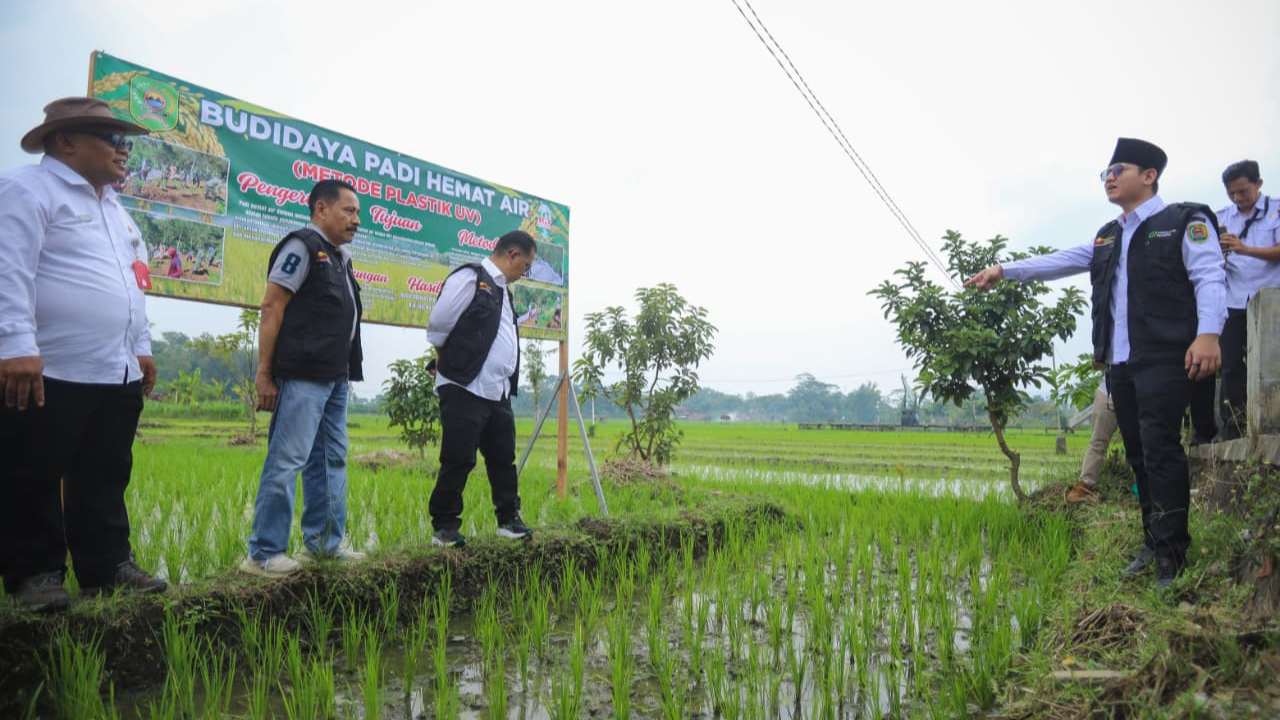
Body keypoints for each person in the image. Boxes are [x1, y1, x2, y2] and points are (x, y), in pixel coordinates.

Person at [967, 138, 1226, 589]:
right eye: (1105, 172)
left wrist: (1208, 334)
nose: (1109, 177)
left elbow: (1209, 276)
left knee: (1162, 449)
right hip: (1121, 363)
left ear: (1148, 176)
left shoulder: (1183, 221)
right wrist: (1004, 270)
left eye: (1118, 169)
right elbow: (1061, 261)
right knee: (1140, 454)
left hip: (1166, 356)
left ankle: (1172, 554)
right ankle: (1151, 541)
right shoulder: (1109, 235)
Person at [0, 97, 167, 611]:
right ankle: (37, 575)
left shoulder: (116, 210)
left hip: (113, 368)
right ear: (66, 141)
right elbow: (10, 269)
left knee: (106, 470)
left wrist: (140, 347)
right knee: (33, 469)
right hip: (49, 365)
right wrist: (14, 344)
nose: (123, 150)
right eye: (112, 139)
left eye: (126, 142)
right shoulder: (27, 189)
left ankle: (107, 566)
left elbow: (132, 284)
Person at [240, 179, 367, 577]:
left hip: (335, 378)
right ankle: (263, 552)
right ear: (321, 210)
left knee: (330, 459)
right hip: (303, 376)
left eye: (358, 213)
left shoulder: (340, 257)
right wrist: (264, 373)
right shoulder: (301, 247)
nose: (355, 220)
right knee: (287, 459)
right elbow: (272, 306)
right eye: (348, 210)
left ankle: (325, 545)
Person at [426, 230, 537, 547]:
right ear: (513, 254)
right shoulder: (471, 277)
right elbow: (439, 324)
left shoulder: (504, 291)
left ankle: (508, 520)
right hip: (465, 383)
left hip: (496, 389)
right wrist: (450, 361)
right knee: (458, 458)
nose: (524, 273)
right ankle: (445, 527)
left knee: (503, 458)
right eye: (525, 266)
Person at [1214, 160, 1280, 439]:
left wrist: (1245, 249)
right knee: (1230, 365)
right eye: (1232, 193)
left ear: (1259, 184)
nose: (1238, 198)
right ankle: (1234, 428)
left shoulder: (1276, 210)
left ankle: (1272, 423)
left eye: (1244, 191)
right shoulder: (1222, 217)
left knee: (1271, 362)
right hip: (1233, 300)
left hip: (1270, 298)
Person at [1066, 387, 1118, 503]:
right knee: (1098, 442)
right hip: (1108, 392)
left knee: (1140, 442)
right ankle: (1084, 487)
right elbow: (1097, 367)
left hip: (1138, 388)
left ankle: (1145, 485)